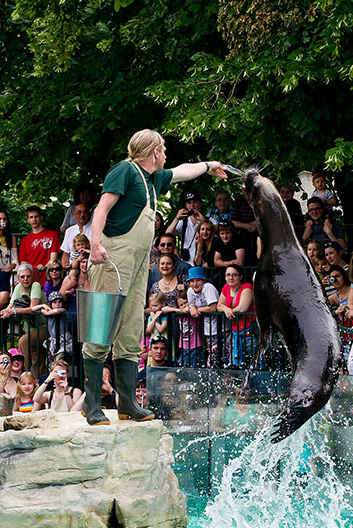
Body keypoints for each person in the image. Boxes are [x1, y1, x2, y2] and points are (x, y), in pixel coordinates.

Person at [84, 129, 226, 426]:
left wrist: (209, 165)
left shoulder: (153, 180)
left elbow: (183, 171)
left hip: (137, 266)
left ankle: (127, 404)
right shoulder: (125, 170)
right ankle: (93, 405)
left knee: (131, 332)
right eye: (163, 149)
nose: (166, 154)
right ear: (152, 152)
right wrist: (94, 244)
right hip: (112, 257)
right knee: (99, 330)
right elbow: (102, 207)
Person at [2, 263, 47, 372]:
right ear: (18, 278)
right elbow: (10, 305)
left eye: (28, 276)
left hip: (43, 327)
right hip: (30, 329)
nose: (25, 279)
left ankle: (23, 373)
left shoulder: (35, 285)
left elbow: (33, 308)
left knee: (23, 341)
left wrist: (14, 311)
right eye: (22, 277)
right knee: (37, 358)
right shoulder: (18, 287)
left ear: (32, 276)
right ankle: (39, 382)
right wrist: (4, 311)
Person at [217, 264, 255, 368]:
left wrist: (230, 311)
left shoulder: (247, 287)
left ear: (240, 277)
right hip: (235, 333)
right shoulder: (226, 288)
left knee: (253, 366)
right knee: (234, 366)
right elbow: (219, 306)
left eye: (234, 275)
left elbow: (243, 308)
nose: (231, 278)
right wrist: (226, 309)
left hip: (249, 334)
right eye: (228, 275)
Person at [185, 266, 220, 367]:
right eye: (192, 281)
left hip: (219, 328)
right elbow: (192, 306)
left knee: (217, 356)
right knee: (210, 354)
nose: (195, 284)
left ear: (203, 280)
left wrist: (196, 309)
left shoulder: (208, 287)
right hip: (206, 329)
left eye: (198, 280)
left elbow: (213, 308)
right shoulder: (190, 291)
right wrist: (192, 308)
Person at [168, 191, 205, 264]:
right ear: (186, 205)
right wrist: (177, 218)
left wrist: (202, 219)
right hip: (187, 262)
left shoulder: (207, 221)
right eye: (189, 203)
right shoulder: (183, 223)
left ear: (200, 204)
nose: (192, 205)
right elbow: (168, 234)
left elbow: (213, 231)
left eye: (195, 202)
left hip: (203, 262)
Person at [40, 291, 72, 362]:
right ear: (50, 304)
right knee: (51, 360)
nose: (57, 304)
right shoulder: (48, 311)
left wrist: (46, 312)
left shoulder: (63, 310)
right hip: (53, 339)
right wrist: (42, 306)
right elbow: (33, 309)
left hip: (64, 339)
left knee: (60, 358)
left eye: (59, 302)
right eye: (54, 302)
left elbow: (56, 311)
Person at [60, 202, 92, 269]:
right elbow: (66, 253)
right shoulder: (69, 230)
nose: (82, 215)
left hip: (90, 267)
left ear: (89, 214)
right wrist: (65, 265)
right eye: (79, 212)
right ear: (74, 215)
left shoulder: (95, 229)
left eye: (85, 212)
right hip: (73, 268)